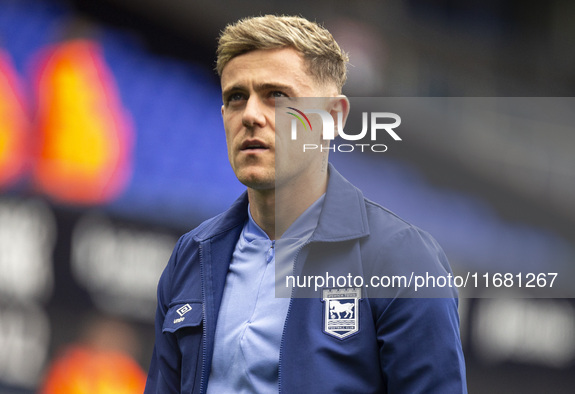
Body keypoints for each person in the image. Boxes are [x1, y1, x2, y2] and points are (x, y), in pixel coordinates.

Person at [145, 15, 466, 393]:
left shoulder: (403, 260)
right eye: (236, 97)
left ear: (332, 118)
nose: (250, 115)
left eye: (276, 96)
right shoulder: (192, 255)